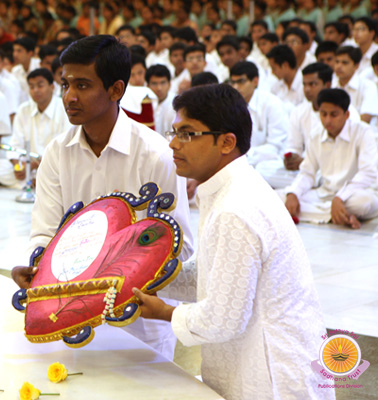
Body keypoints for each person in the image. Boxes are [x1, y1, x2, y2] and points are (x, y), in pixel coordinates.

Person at [132, 83, 331, 400]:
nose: (172, 144)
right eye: (174, 132)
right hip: (259, 359)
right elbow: (210, 275)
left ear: (226, 142)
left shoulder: (235, 209)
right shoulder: (227, 188)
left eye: (186, 134)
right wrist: (149, 276)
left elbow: (223, 320)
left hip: (271, 375)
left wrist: (164, 312)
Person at [11, 35, 194, 360]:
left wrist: (124, 274)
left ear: (115, 90)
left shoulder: (154, 154)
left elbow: (179, 244)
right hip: (67, 311)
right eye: (65, 84)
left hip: (138, 317)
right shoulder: (57, 153)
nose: (69, 96)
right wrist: (34, 266)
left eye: (82, 85)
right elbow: (43, 232)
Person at [283, 88, 378, 228]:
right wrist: (294, 194)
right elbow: (307, 173)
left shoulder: (363, 132)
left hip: (355, 194)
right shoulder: (315, 135)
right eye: (323, 114)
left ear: (346, 115)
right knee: (281, 197)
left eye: (333, 115)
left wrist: (341, 197)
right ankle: (341, 215)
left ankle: (330, 213)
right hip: (325, 194)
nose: (327, 120)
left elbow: (368, 173)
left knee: (364, 203)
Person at [257, 62, 361, 188]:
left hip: (334, 170)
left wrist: (306, 163)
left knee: (330, 178)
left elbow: (346, 155)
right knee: (262, 169)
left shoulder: (345, 112)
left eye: (312, 84)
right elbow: (293, 146)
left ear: (327, 84)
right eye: (304, 84)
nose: (307, 89)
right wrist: (291, 158)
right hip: (305, 170)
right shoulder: (299, 111)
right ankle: (307, 185)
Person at [0, 68, 71, 187]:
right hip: (27, 168)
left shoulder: (63, 110)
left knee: (65, 173)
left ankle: (28, 184)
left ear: (52, 87)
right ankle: (35, 184)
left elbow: (64, 149)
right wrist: (17, 166)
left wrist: (32, 166)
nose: (36, 90)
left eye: (40, 85)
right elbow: (15, 146)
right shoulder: (23, 110)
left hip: (52, 167)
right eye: (31, 86)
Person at [228, 61, 289, 168]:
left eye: (241, 81)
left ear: (255, 81)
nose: (236, 87)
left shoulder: (272, 103)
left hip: (270, 161)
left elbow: (277, 145)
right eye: (233, 82)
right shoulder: (231, 105)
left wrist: (245, 156)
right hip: (243, 159)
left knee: (261, 170)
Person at [332, 46, 378, 123]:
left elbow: (365, 119)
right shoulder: (332, 87)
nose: (339, 66)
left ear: (356, 66)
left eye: (344, 63)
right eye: (337, 62)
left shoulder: (368, 86)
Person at [146, 64, 177, 137]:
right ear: (147, 86)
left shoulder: (177, 104)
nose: (159, 88)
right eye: (154, 83)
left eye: (163, 83)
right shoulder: (143, 104)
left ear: (169, 84)